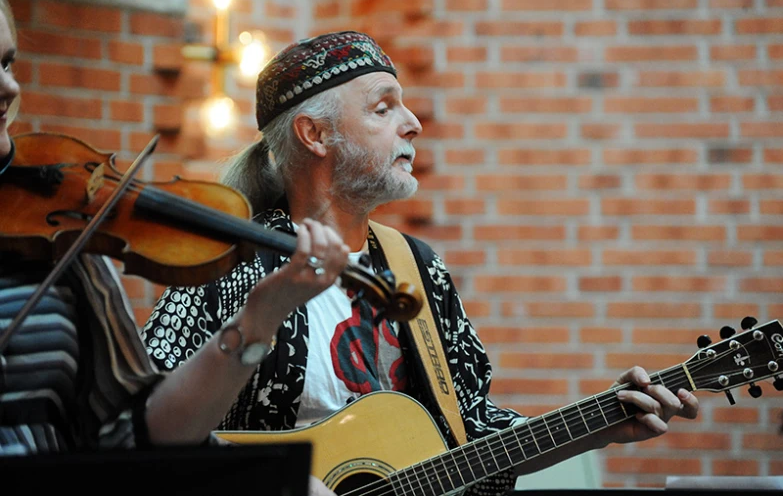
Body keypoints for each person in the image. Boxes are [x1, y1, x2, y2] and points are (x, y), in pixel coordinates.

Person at [141, 31, 699, 494]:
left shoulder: (416, 267)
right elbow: (140, 419)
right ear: (314, 135)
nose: (413, 123)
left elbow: (468, 431)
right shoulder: (230, 260)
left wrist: (598, 427)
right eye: (383, 108)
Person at [0, 0, 344, 494]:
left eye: (8, 62)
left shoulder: (56, 227)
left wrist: (259, 319)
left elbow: (136, 433)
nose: (8, 86)